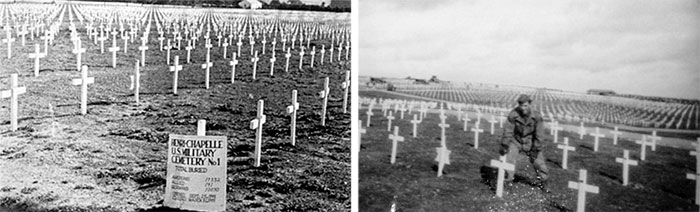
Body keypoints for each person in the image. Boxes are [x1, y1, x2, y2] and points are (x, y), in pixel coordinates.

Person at [498, 94, 550, 192]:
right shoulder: (513, 114)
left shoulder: (537, 116)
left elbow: (539, 135)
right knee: (509, 160)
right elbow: (508, 131)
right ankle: (508, 181)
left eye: (525, 106)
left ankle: (544, 182)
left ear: (530, 105)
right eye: (521, 106)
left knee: (539, 164)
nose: (523, 108)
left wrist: (536, 148)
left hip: (531, 142)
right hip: (516, 141)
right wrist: (505, 144)